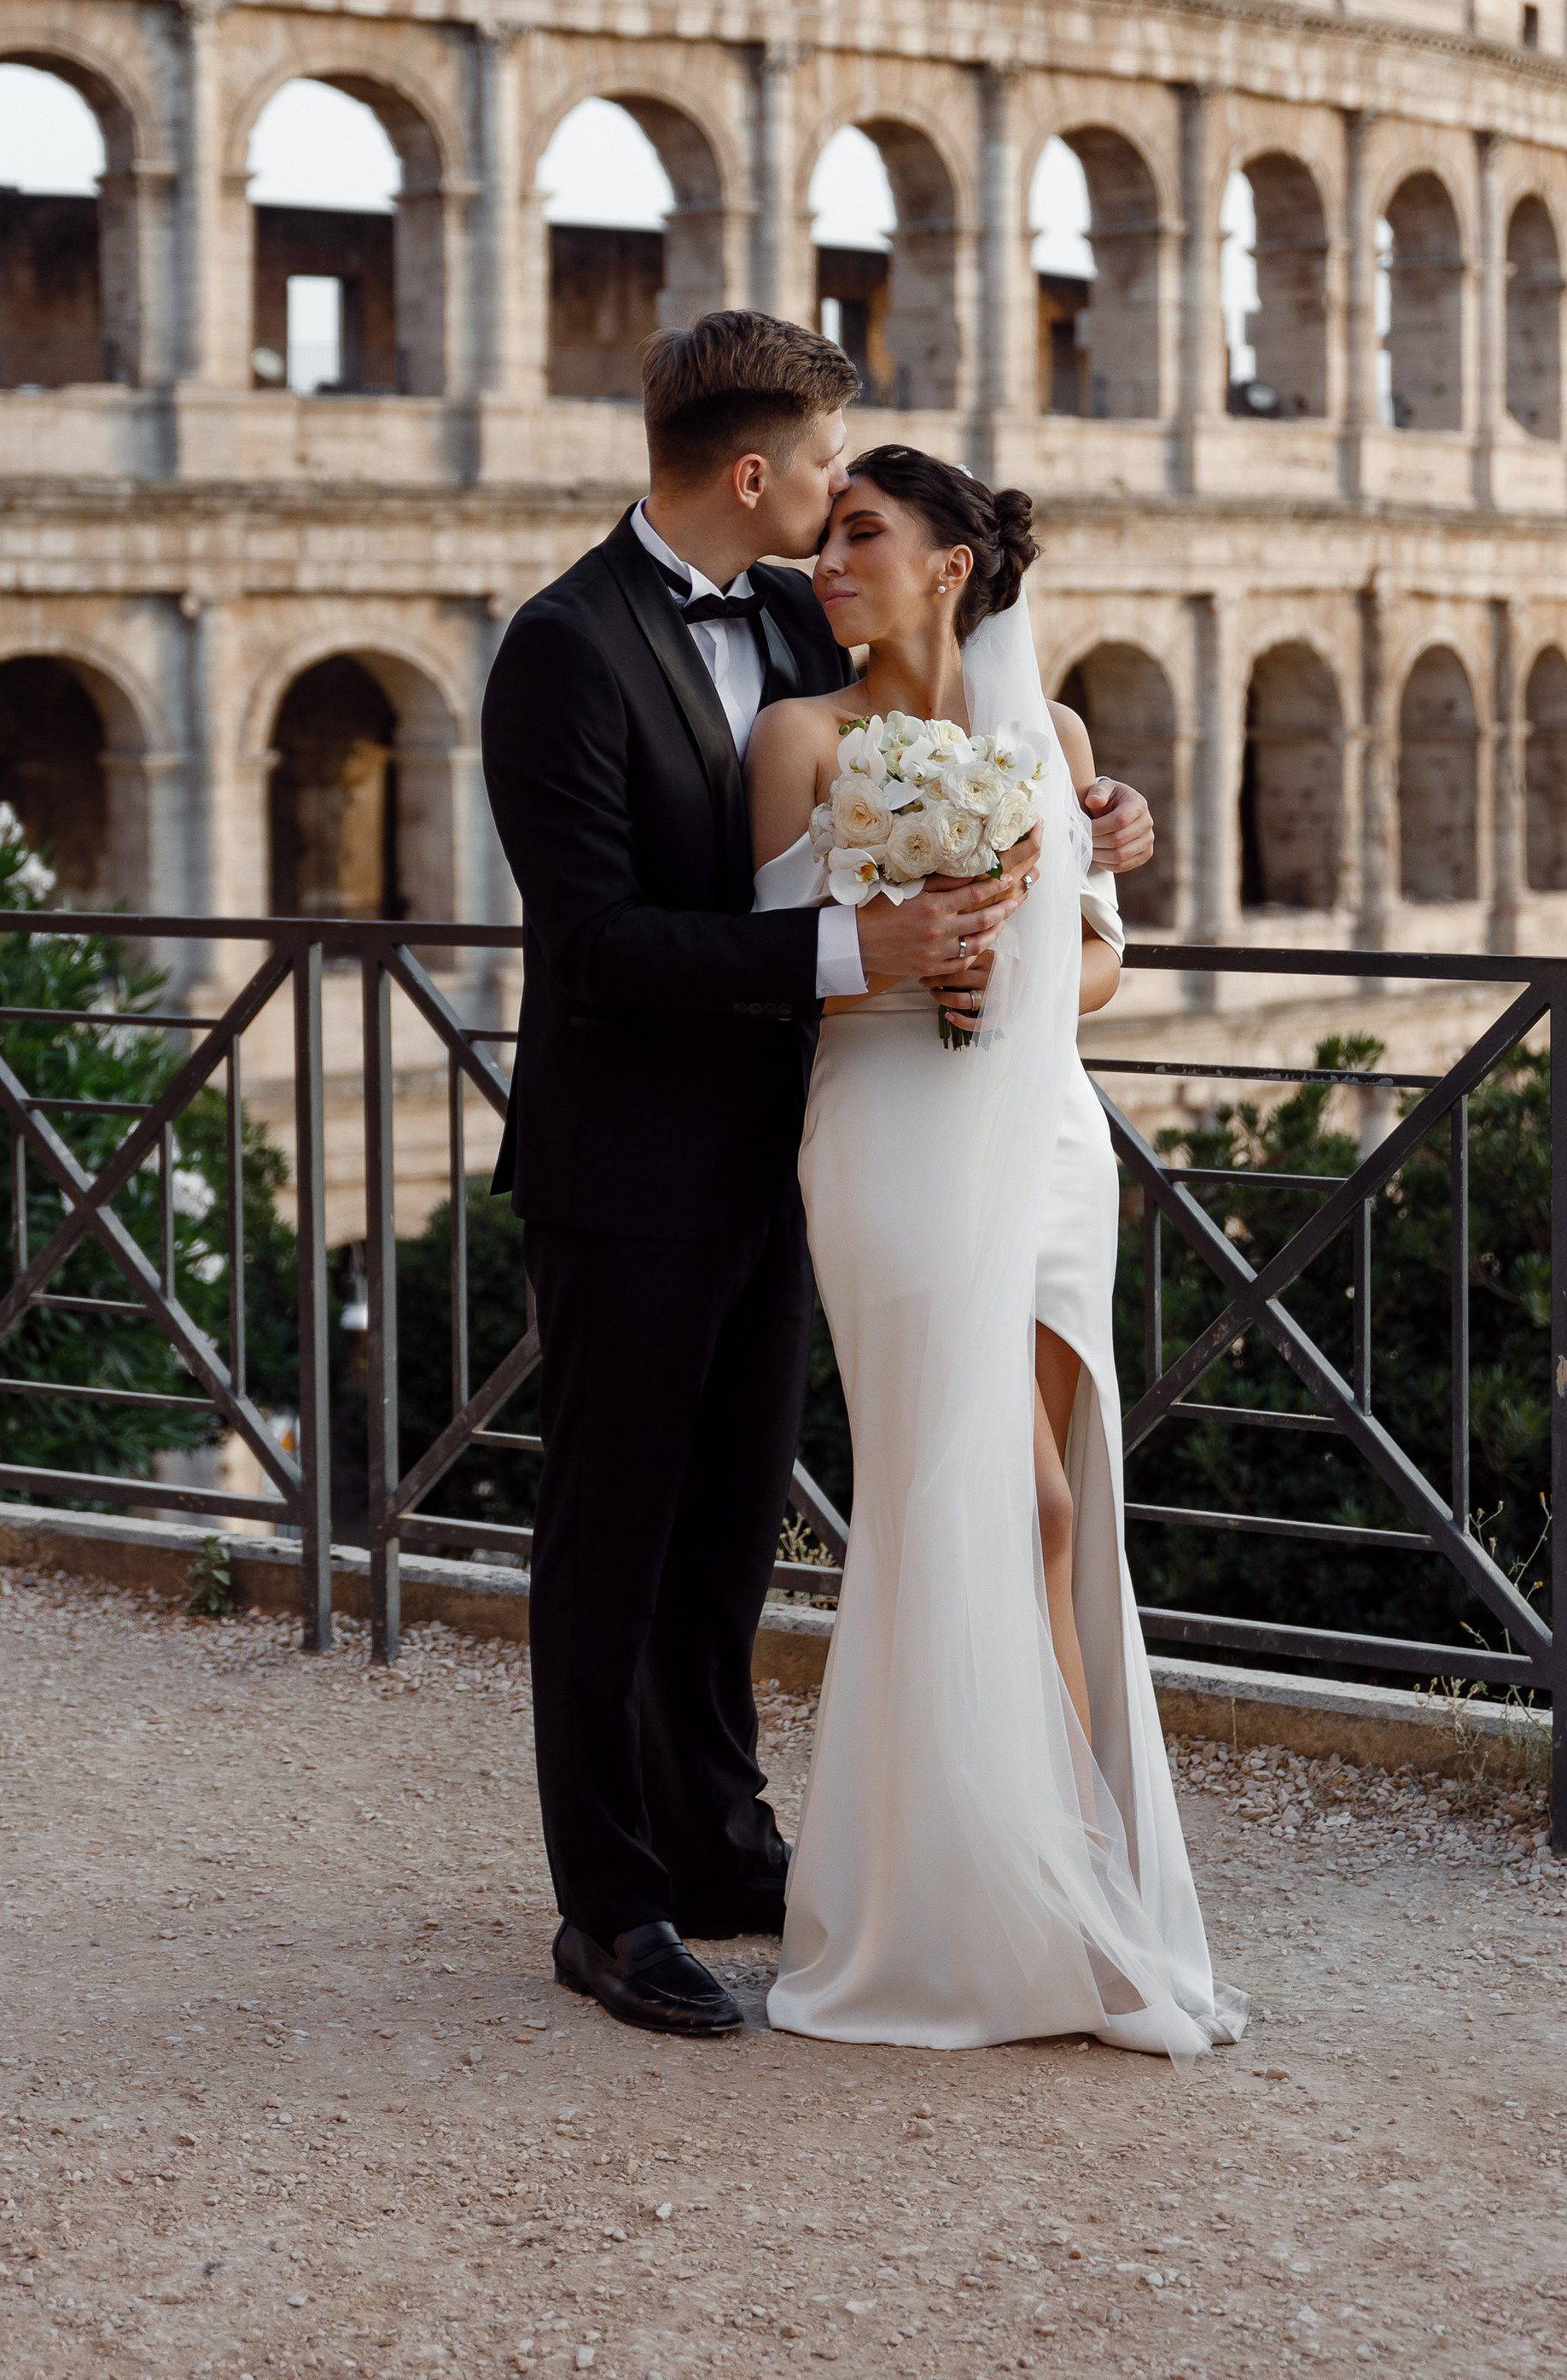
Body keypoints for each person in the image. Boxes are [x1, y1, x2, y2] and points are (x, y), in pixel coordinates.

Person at [480, 315, 1155, 2040]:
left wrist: (1089, 816)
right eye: (825, 468)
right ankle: (608, 1904)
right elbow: (599, 942)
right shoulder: (560, 649)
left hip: (801, 1151)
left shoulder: (798, 611)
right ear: (755, 472)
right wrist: (856, 949)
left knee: (724, 1532)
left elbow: (947, 697)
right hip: (627, 1159)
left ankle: (717, 1841)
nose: (841, 507)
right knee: (607, 1535)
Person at [745, 446, 1244, 2052]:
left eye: (861, 535)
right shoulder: (797, 738)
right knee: (980, 1495)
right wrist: (909, 963)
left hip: (1038, 1136)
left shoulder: (1058, 737)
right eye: (823, 539)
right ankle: (992, 1912)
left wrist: (1008, 976)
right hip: (887, 1126)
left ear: (954, 563)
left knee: (1054, 1515)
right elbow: (764, 975)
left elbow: (1098, 965)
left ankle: (1080, 1902)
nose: (827, 562)